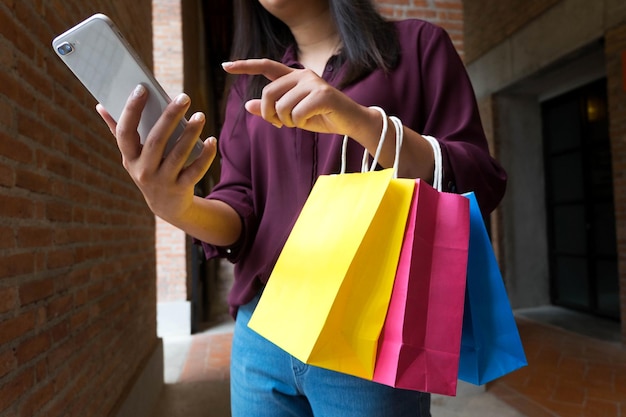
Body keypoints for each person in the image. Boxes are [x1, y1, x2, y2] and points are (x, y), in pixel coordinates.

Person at [97, 0, 507, 415]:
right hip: (261, 330)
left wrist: (362, 122)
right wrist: (176, 208)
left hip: (367, 328)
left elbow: (479, 181)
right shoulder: (248, 84)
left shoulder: (418, 46)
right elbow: (239, 210)